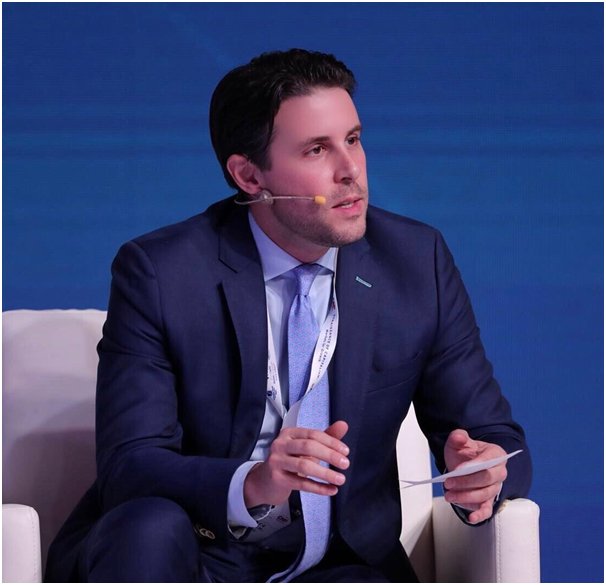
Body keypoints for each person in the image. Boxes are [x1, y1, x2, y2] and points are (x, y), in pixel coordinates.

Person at [46, 48, 531, 583]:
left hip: (339, 563)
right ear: (249, 176)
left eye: (353, 139)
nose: (350, 170)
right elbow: (130, 465)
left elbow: (495, 436)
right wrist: (255, 482)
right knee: (148, 528)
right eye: (317, 149)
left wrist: (483, 472)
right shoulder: (162, 273)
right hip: (196, 550)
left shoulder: (416, 261)